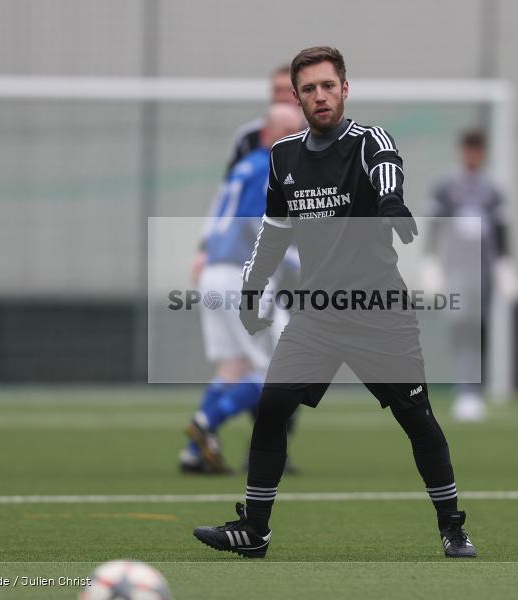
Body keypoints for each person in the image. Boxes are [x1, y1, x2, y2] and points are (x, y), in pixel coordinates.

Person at [192, 46, 477, 559]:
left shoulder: (370, 141)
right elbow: (274, 232)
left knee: (417, 419)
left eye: (328, 85)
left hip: (379, 312)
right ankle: (254, 531)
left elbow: (387, 167)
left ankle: (452, 526)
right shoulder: (284, 156)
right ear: (298, 97)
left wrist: (390, 201)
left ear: (345, 89)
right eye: (309, 89)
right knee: (272, 406)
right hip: (317, 313)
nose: (319, 96)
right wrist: (253, 288)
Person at [180, 104, 303, 474]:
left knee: (233, 367)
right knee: (274, 373)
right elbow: (257, 224)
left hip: (215, 272)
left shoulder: (242, 166)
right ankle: (205, 423)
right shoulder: (270, 166)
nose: (298, 139)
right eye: (291, 132)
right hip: (243, 278)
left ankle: (193, 452)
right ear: (270, 134)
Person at [424, 130, 518, 422]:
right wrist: (431, 261)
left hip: (484, 268)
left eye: (478, 150)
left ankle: (476, 390)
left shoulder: (491, 189)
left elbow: (501, 227)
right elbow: (435, 224)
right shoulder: (446, 186)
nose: (473, 155)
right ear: (461, 151)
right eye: (469, 149)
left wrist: (504, 264)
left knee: (480, 327)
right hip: (456, 267)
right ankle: (464, 388)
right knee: (460, 325)